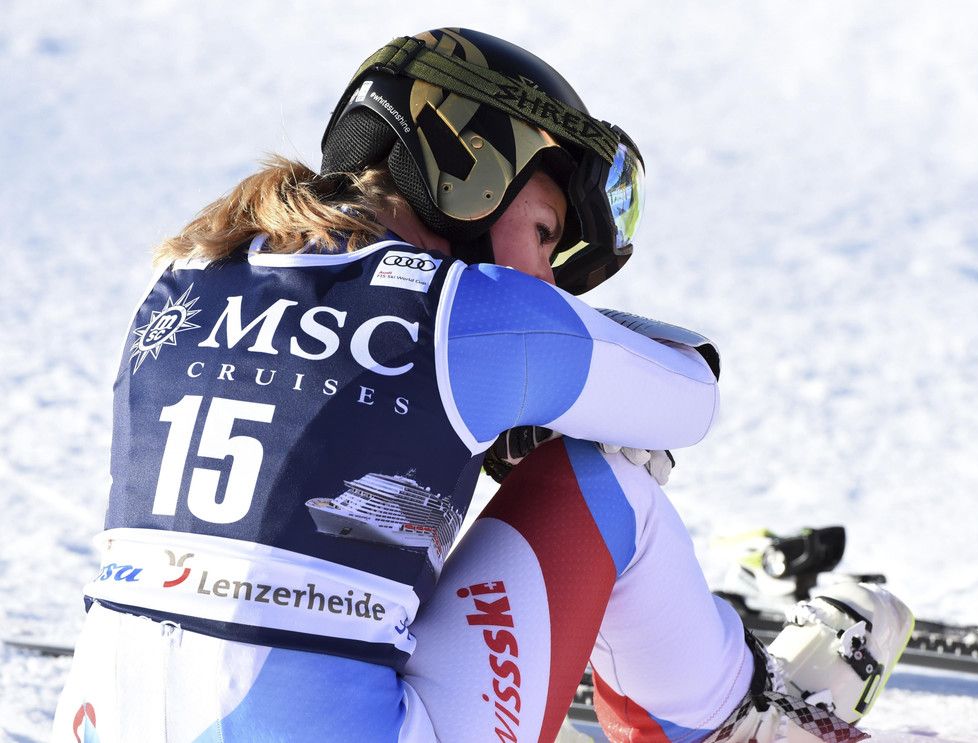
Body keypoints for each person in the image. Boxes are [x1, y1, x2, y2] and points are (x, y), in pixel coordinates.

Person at [52, 28, 912, 743]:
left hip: (99, 723)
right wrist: (547, 402)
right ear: (472, 172)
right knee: (604, 477)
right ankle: (737, 720)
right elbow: (689, 396)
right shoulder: (467, 308)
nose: (547, 276)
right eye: (544, 231)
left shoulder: (180, 273)